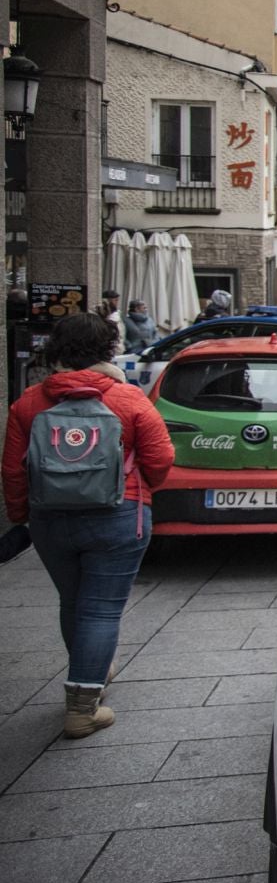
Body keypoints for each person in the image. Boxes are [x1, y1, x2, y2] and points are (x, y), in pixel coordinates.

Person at [2, 313, 175, 738]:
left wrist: (22, 516)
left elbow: (12, 471)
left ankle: (90, 666)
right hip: (118, 516)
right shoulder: (129, 400)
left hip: (50, 520)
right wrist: (141, 488)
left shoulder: (28, 402)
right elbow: (161, 460)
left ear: (56, 350)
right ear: (108, 350)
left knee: (73, 600)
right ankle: (82, 706)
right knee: (100, 609)